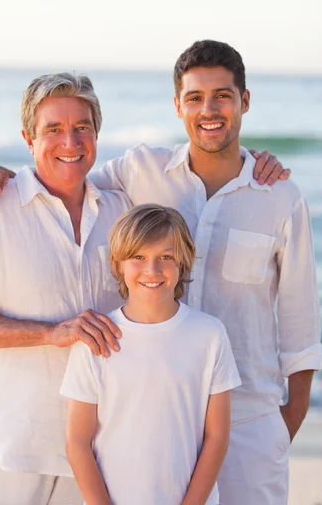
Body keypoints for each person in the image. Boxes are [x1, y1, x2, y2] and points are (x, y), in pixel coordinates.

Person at [0, 40, 308, 505]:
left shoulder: (274, 195)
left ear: (244, 101)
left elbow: (302, 333)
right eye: (195, 97)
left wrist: (281, 432)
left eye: (223, 96)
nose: (209, 109)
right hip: (88, 439)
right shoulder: (135, 173)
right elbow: (63, 174)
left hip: (229, 426)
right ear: (177, 106)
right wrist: (3, 176)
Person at [0, 73, 131, 505]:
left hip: (96, 454)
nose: (71, 141)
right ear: (29, 139)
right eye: (53, 129)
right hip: (7, 450)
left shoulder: (122, 211)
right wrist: (51, 333)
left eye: (82, 127)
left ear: (97, 134)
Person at [61, 204, 241, 505]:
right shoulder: (95, 340)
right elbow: (77, 443)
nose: (152, 270)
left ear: (183, 261)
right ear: (119, 264)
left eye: (166, 257)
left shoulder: (210, 335)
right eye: (138, 257)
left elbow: (217, 437)